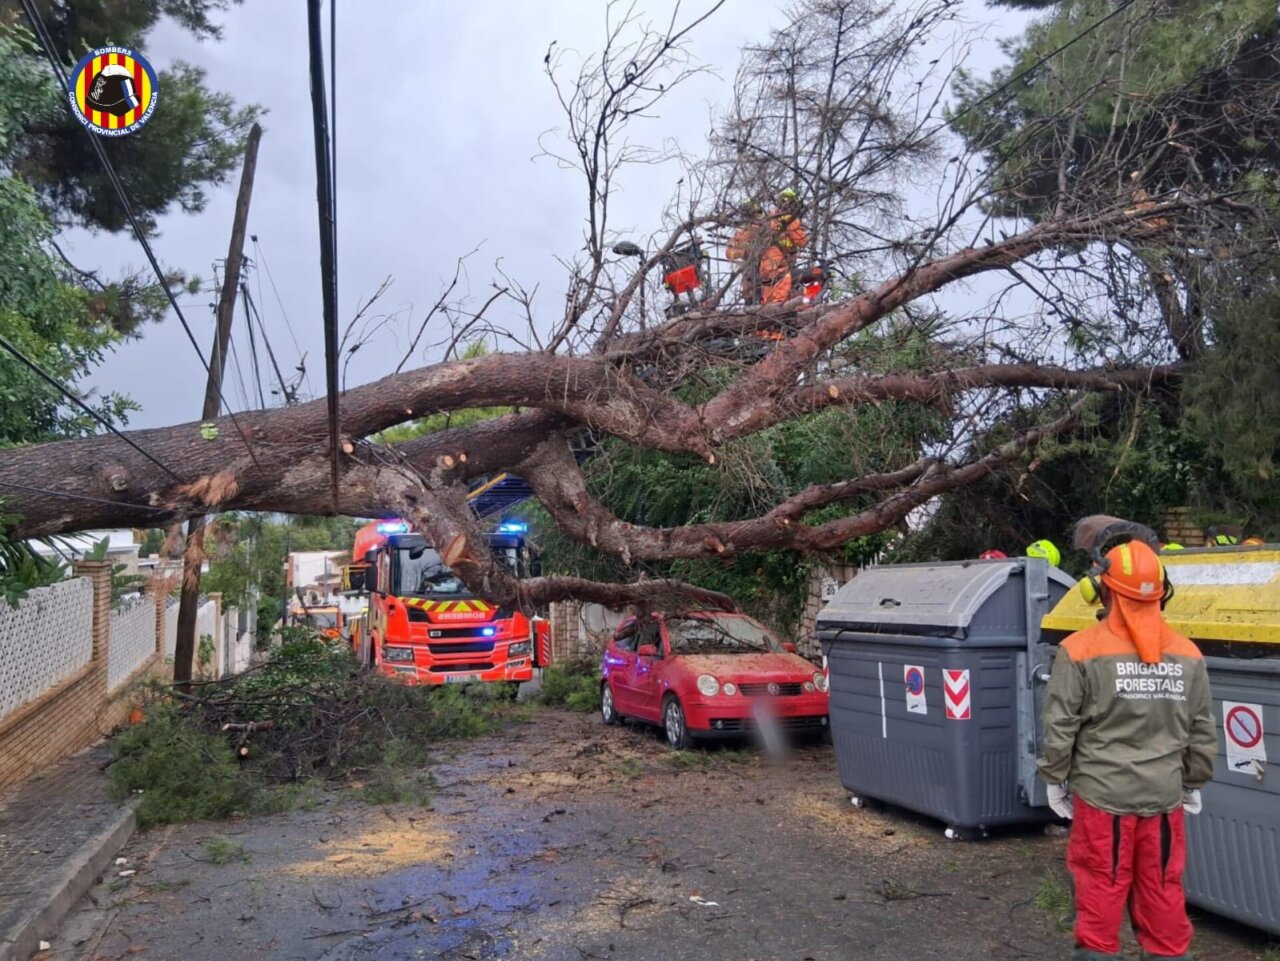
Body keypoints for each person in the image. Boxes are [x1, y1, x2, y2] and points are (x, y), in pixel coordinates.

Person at [1039, 539, 1217, 961]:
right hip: (1164, 798)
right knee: (1161, 886)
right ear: (1163, 593)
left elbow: (1060, 725)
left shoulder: (1079, 650)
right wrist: (1192, 781)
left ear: (1102, 589)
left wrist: (1053, 777)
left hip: (1103, 799)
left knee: (1102, 881)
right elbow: (1202, 731)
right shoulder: (1189, 654)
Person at [726, 189, 808, 306]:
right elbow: (802, 242)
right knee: (775, 302)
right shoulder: (782, 221)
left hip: (765, 270)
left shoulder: (769, 221)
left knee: (766, 303)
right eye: (756, 214)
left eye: (759, 213)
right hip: (772, 269)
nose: (758, 217)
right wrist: (745, 253)